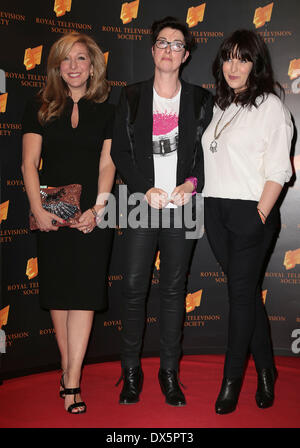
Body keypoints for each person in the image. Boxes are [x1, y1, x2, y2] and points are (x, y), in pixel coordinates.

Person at [111, 16, 213, 407]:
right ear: (153, 50)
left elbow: (206, 155)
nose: (169, 50)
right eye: (163, 43)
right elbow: (121, 150)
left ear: (185, 55)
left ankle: (169, 372)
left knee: (174, 291)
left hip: (183, 208)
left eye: (177, 45)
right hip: (140, 204)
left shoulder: (200, 99)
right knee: (134, 290)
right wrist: (144, 187)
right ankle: (131, 372)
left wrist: (191, 184)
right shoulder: (132, 96)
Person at [21, 33, 115, 414]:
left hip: (92, 214)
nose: (73, 66)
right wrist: (38, 210)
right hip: (51, 213)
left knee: (85, 297)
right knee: (60, 296)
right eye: (66, 60)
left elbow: (108, 164)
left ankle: (71, 381)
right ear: (57, 67)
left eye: (81, 58)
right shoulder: (40, 106)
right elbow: (29, 163)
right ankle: (69, 371)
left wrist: (98, 208)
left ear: (92, 65)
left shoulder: (109, 108)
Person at [202, 29, 293, 414]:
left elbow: (279, 170)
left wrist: (260, 213)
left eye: (243, 58)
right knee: (247, 297)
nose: (234, 66)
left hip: (251, 212)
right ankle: (268, 371)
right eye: (228, 57)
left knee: (239, 297)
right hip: (215, 211)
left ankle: (231, 382)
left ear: (256, 65)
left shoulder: (271, 106)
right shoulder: (220, 106)